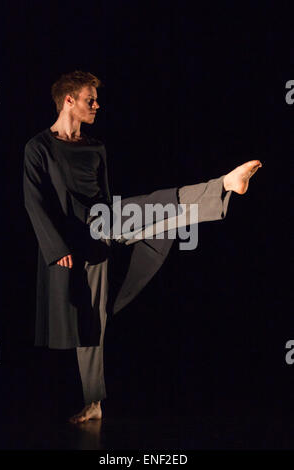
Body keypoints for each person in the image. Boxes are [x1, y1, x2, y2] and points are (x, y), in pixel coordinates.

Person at [23, 71, 262, 424]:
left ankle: (223, 184)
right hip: (69, 243)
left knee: (155, 208)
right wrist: (57, 248)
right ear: (68, 100)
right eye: (91, 99)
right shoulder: (38, 147)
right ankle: (93, 403)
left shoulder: (95, 147)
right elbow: (34, 201)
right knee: (90, 326)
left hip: (103, 223)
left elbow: (104, 196)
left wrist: (117, 226)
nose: (97, 105)